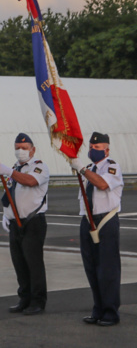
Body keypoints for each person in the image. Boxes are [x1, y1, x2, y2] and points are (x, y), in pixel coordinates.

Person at [70, 131, 123, 326]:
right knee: (91, 267)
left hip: (105, 221)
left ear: (107, 150)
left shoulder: (111, 167)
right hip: (87, 220)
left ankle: (110, 312)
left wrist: (82, 170)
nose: (93, 150)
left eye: (97, 148)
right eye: (91, 148)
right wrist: (84, 170)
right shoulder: (90, 168)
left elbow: (101, 184)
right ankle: (98, 309)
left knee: (107, 269)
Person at [0, 133, 49, 315]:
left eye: (24, 148)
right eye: (17, 148)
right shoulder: (14, 168)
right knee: (19, 263)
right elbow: (9, 192)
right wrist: (6, 214)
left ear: (32, 149)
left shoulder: (39, 167)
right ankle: (24, 298)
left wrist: (10, 173)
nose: (20, 151)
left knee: (33, 263)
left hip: (33, 222)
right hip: (14, 222)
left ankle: (37, 301)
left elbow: (31, 182)